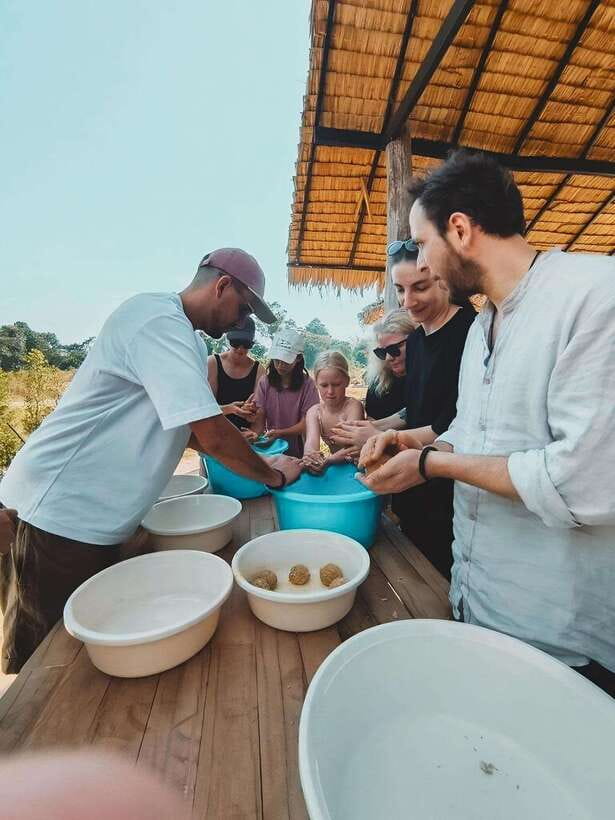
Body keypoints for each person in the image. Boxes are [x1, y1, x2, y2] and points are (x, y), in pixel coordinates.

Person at [359, 149, 615, 696]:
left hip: (561, 640)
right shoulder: (484, 327)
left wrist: (430, 462)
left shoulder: (593, 296)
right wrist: (412, 441)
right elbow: (472, 439)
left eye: (424, 244)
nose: (422, 265)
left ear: (460, 230)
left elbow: (583, 483)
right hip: (479, 606)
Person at [0, 248, 302, 674]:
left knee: (84, 665)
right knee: (45, 670)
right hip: (56, 515)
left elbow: (182, 427)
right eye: (243, 307)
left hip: (93, 524)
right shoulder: (156, 320)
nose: (241, 321)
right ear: (221, 285)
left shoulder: (188, 342)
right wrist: (271, 474)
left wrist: (246, 451)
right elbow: (210, 433)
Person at [334, 240, 475, 578]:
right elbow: (417, 410)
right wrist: (378, 434)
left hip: (451, 489)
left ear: (445, 277)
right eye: (400, 289)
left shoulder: (470, 333)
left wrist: (385, 435)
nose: (408, 302)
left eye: (420, 287)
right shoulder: (418, 339)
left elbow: (452, 424)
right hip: (415, 487)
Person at [252, 327, 319, 457]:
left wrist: (281, 432)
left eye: (286, 361)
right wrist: (255, 434)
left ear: (298, 358)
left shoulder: (308, 385)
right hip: (272, 448)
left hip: (299, 449)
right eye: (277, 360)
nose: (280, 365)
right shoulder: (265, 382)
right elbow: (259, 419)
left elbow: (308, 422)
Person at [302, 351, 364, 474]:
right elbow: (310, 444)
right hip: (336, 466)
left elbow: (352, 447)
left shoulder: (353, 406)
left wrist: (328, 460)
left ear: (346, 381)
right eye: (324, 385)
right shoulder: (314, 412)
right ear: (316, 384)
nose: (330, 391)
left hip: (360, 466)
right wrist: (311, 459)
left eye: (336, 384)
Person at [206, 316, 264, 433]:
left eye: (246, 344)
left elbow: (260, 414)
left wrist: (254, 432)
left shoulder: (259, 370)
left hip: (243, 435)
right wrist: (231, 409)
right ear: (229, 341)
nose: (240, 349)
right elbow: (206, 409)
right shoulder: (213, 363)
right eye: (236, 343)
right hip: (214, 432)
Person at [364, 308, 415, 421]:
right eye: (381, 352)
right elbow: (371, 419)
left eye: (394, 349)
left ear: (415, 340)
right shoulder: (378, 382)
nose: (388, 358)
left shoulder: (429, 377)